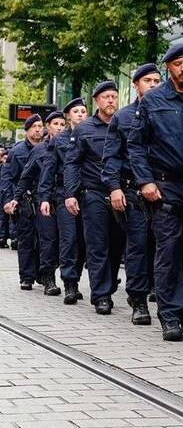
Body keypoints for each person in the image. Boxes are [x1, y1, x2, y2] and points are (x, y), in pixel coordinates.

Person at [128, 45, 183, 339]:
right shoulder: (152, 101)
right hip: (165, 186)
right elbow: (136, 145)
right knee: (169, 248)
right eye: (179, 64)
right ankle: (170, 315)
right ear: (169, 68)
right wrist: (145, 181)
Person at [103, 64, 161, 325]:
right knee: (137, 245)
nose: (153, 84)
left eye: (157, 80)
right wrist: (114, 187)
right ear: (136, 85)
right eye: (147, 80)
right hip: (133, 191)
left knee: (164, 246)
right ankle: (138, 299)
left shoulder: (167, 111)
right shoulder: (123, 117)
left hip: (164, 190)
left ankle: (167, 296)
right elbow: (112, 157)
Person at [65, 82, 126, 314]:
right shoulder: (84, 129)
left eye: (114, 96)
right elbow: (72, 163)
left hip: (121, 194)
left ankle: (108, 286)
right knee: (97, 245)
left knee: (117, 245)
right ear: (97, 101)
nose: (110, 100)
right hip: (94, 194)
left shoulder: (125, 123)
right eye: (105, 97)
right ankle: (101, 295)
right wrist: (70, 194)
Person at [42, 97, 88, 305]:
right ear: (69, 116)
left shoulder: (92, 134)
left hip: (88, 194)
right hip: (63, 194)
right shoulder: (59, 140)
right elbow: (49, 169)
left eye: (83, 111)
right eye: (76, 111)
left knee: (83, 241)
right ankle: (69, 282)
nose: (80, 114)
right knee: (68, 239)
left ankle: (75, 277)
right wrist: (44, 197)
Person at [22, 112, 66, 296]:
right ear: (48, 126)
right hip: (44, 200)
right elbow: (25, 177)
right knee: (48, 239)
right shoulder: (39, 150)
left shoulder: (70, 146)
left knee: (68, 241)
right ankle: (48, 278)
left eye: (62, 124)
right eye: (55, 123)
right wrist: (17, 199)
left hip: (65, 198)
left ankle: (71, 280)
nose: (59, 127)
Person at [2, 114, 45, 289]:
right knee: (26, 240)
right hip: (24, 200)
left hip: (42, 198)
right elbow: (7, 178)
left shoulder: (47, 148)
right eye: (34, 126)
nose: (37, 129)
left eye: (40, 125)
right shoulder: (17, 151)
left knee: (43, 239)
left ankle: (43, 273)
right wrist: (9, 201)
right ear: (27, 130)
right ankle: (26, 276)